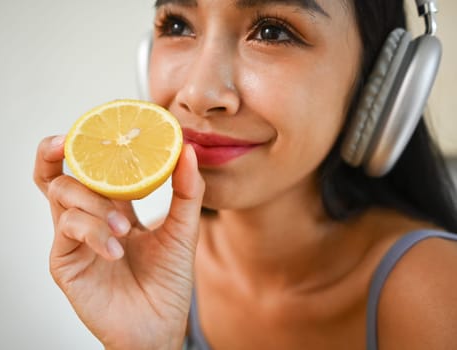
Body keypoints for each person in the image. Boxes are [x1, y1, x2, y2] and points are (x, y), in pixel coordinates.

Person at [34, 0, 457, 349]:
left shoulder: (434, 292)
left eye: (272, 32)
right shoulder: (143, 260)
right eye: (178, 25)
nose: (198, 94)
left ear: (381, 83)